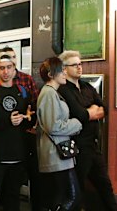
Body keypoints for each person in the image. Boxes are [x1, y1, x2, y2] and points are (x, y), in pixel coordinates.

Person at [57, 50, 117, 211]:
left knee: (105, 185)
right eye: (74, 65)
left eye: (80, 64)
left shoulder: (87, 86)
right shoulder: (63, 90)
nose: (79, 67)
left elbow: (104, 108)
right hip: (77, 147)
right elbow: (79, 114)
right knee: (77, 189)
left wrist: (92, 112)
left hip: (93, 144)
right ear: (64, 69)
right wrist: (90, 111)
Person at [0, 52, 34, 211]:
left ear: (15, 69)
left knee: (13, 199)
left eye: (9, 67)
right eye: (1, 68)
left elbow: (31, 118)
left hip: (19, 154)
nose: (5, 72)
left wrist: (28, 118)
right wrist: (8, 121)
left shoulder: (22, 91)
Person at [36, 57, 82, 211]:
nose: (64, 73)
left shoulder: (52, 92)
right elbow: (53, 126)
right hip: (55, 154)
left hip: (59, 153)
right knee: (70, 197)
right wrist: (76, 123)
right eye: (61, 70)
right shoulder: (49, 93)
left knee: (63, 196)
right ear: (50, 74)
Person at [1, 46, 41, 210]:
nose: (10, 63)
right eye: (7, 60)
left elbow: (35, 102)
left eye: (13, 57)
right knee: (10, 183)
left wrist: (31, 118)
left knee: (33, 174)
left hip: (27, 132)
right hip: (6, 139)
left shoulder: (26, 79)